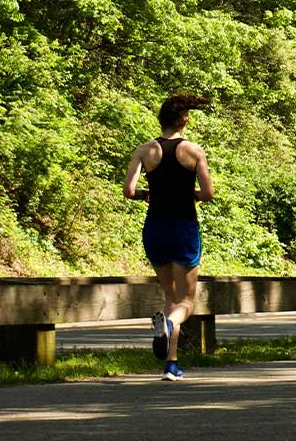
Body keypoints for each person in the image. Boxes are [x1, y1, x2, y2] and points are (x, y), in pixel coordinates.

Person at [123, 93, 214, 381]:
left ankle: (171, 364)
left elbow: (128, 190)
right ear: (184, 120)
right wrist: (193, 195)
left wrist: (144, 195)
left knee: (170, 296)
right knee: (185, 302)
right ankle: (169, 329)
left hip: (155, 229)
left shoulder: (144, 151)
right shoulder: (193, 151)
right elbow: (208, 194)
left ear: (161, 119)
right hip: (183, 228)